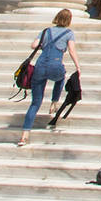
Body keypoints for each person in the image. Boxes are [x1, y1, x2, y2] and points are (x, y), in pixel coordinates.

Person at [18, 8, 81, 146]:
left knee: (35, 103)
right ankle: (54, 101)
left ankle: (24, 135)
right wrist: (78, 66)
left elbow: (33, 45)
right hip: (55, 65)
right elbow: (71, 50)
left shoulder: (46, 31)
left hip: (40, 66)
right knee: (61, 78)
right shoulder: (69, 33)